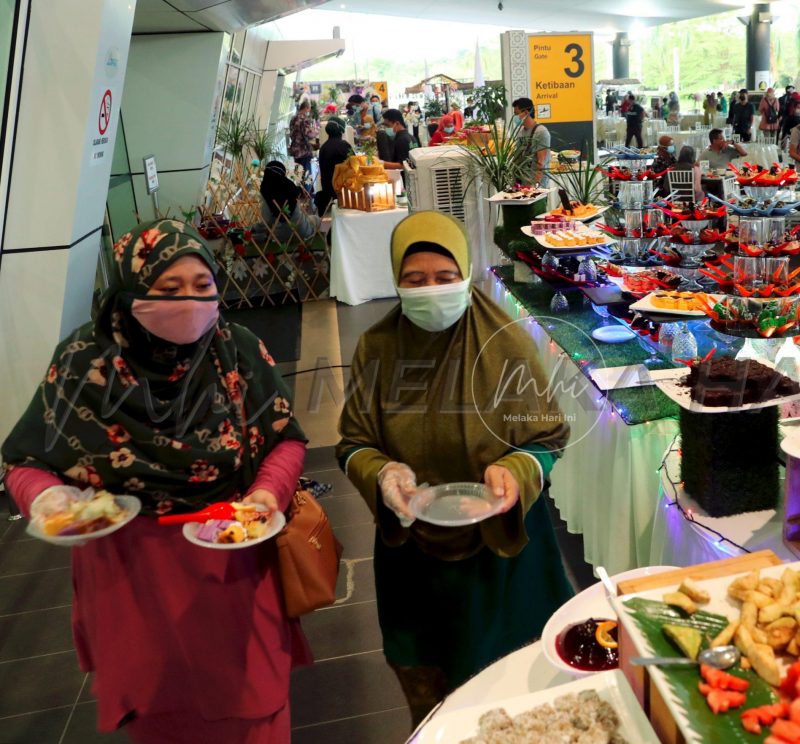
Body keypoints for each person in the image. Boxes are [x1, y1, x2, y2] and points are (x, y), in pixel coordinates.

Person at [1, 219, 310, 742]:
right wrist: (51, 499)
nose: (188, 302)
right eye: (168, 289)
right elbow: (25, 461)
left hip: (232, 565)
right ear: (129, 292)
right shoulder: (84, 364)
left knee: (255, 710)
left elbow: (285, 436)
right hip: (130, 580)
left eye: (201, 286)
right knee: (164, 719)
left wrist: (265, 494)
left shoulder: (235, 351)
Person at [335, 210, 573, 725]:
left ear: (466, 275)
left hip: (502, 558)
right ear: (395, 281)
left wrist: (517, 469)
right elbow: (353, 442)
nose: (431, 290)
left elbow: (547, 436)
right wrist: (382, 473)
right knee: (433, 696)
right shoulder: (377, 348)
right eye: (414, 280)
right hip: (412, 555)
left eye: (445, 278)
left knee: (516, 697)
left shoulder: (505, 342)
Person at [258, 160, 320, 241]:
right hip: (302, 232)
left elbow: (266, 220)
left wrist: (254, 228)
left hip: (280, 236)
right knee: (316, 219)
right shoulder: (290, 187)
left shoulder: (265, 190)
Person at [316, 117, 354, 215]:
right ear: (341, 131)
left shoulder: (323, 147)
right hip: (343, 190)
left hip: (328, 190)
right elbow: (354, 164)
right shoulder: (344, 145)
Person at [511, 97, 551, 186]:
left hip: (536, 185)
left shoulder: (541, 132)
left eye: (516, 114)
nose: (515, 117)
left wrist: (536, 185)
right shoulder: (520, 131)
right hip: (522, 182)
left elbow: (541, 162)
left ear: (526, 112)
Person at [288, 100, 316, 181]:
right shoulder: (304, 119)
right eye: (309, 109)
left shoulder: (293, 118)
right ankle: (307, 192)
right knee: (306, 174)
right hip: (303, 151)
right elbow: (309, 134)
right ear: (306, 108)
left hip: (295, 150)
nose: (309, 111)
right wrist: (316, 132)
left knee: (298, 174)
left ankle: (299, 192)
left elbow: (292, 132)